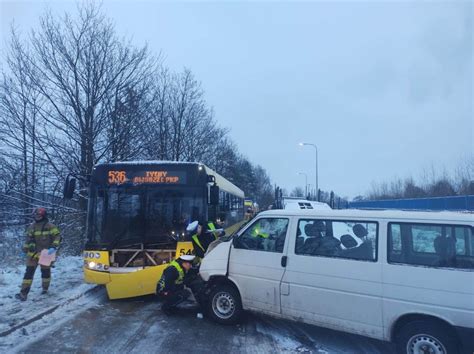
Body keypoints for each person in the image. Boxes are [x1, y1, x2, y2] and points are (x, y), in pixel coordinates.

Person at [16, 207, 61, 301]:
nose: (37, 217)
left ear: (43, 215)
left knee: (45, 272)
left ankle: (45, 288)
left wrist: (54, 246)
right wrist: (24, 250)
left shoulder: (50, 226)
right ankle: (23, 293)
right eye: (36, 215)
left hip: (46, 253)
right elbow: (28, 240)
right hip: (32, 254)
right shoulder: (31, 227)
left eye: (39, 215)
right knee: (28, 273)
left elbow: (58, 236)